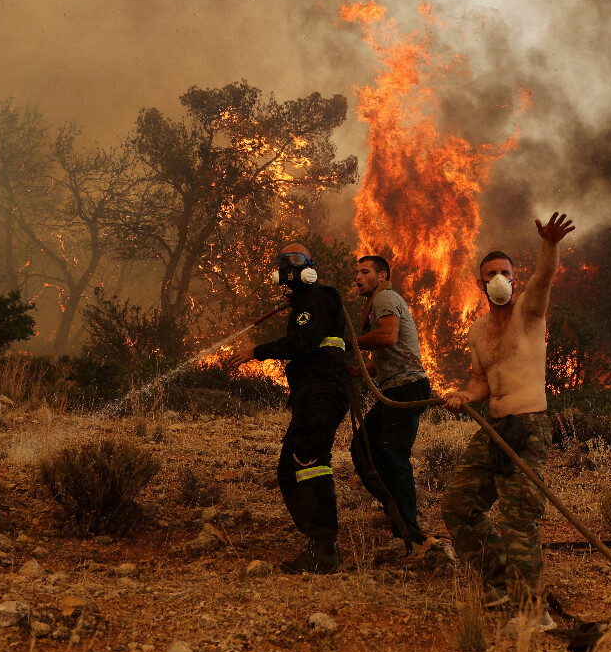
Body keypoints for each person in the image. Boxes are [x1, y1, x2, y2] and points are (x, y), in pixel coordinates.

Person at [441, 212, 575, 630]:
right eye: (491, 274)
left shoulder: (529, 312)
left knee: (518, 521)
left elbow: (545, 276)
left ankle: (534, 613)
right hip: (494, 428)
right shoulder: (478, 331)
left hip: (528, 426)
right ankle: (499, 582)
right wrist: (464, 394)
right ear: (480, 285)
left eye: (505, 272)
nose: (499, 278)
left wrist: (550, 244)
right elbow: (482, 380)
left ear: (515, 278)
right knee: (458, 505)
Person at [231, 243, 349, 574]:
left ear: (310, 266)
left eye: (296, 259)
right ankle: (318, 539)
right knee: (288, 467)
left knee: (309, 460)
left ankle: (324, 548)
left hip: (322, 391)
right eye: (284, 261)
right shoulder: (303, 303)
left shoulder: (318, 297)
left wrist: (257, 351)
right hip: (311, 393)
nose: (289, 265)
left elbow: (303, 343)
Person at [349, 255, 433, 549]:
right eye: (356, 272)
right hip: (397, 388)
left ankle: (409, 530)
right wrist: (355, 372)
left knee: (393, 456)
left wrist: (348, 341)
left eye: (364, 271)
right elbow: (381, 360)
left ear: (381, 275)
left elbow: (387, 337)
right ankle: (396, 513)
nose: (358, 277)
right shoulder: (379, 302)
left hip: (406, 389)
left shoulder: (384, 297)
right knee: (362, 447)